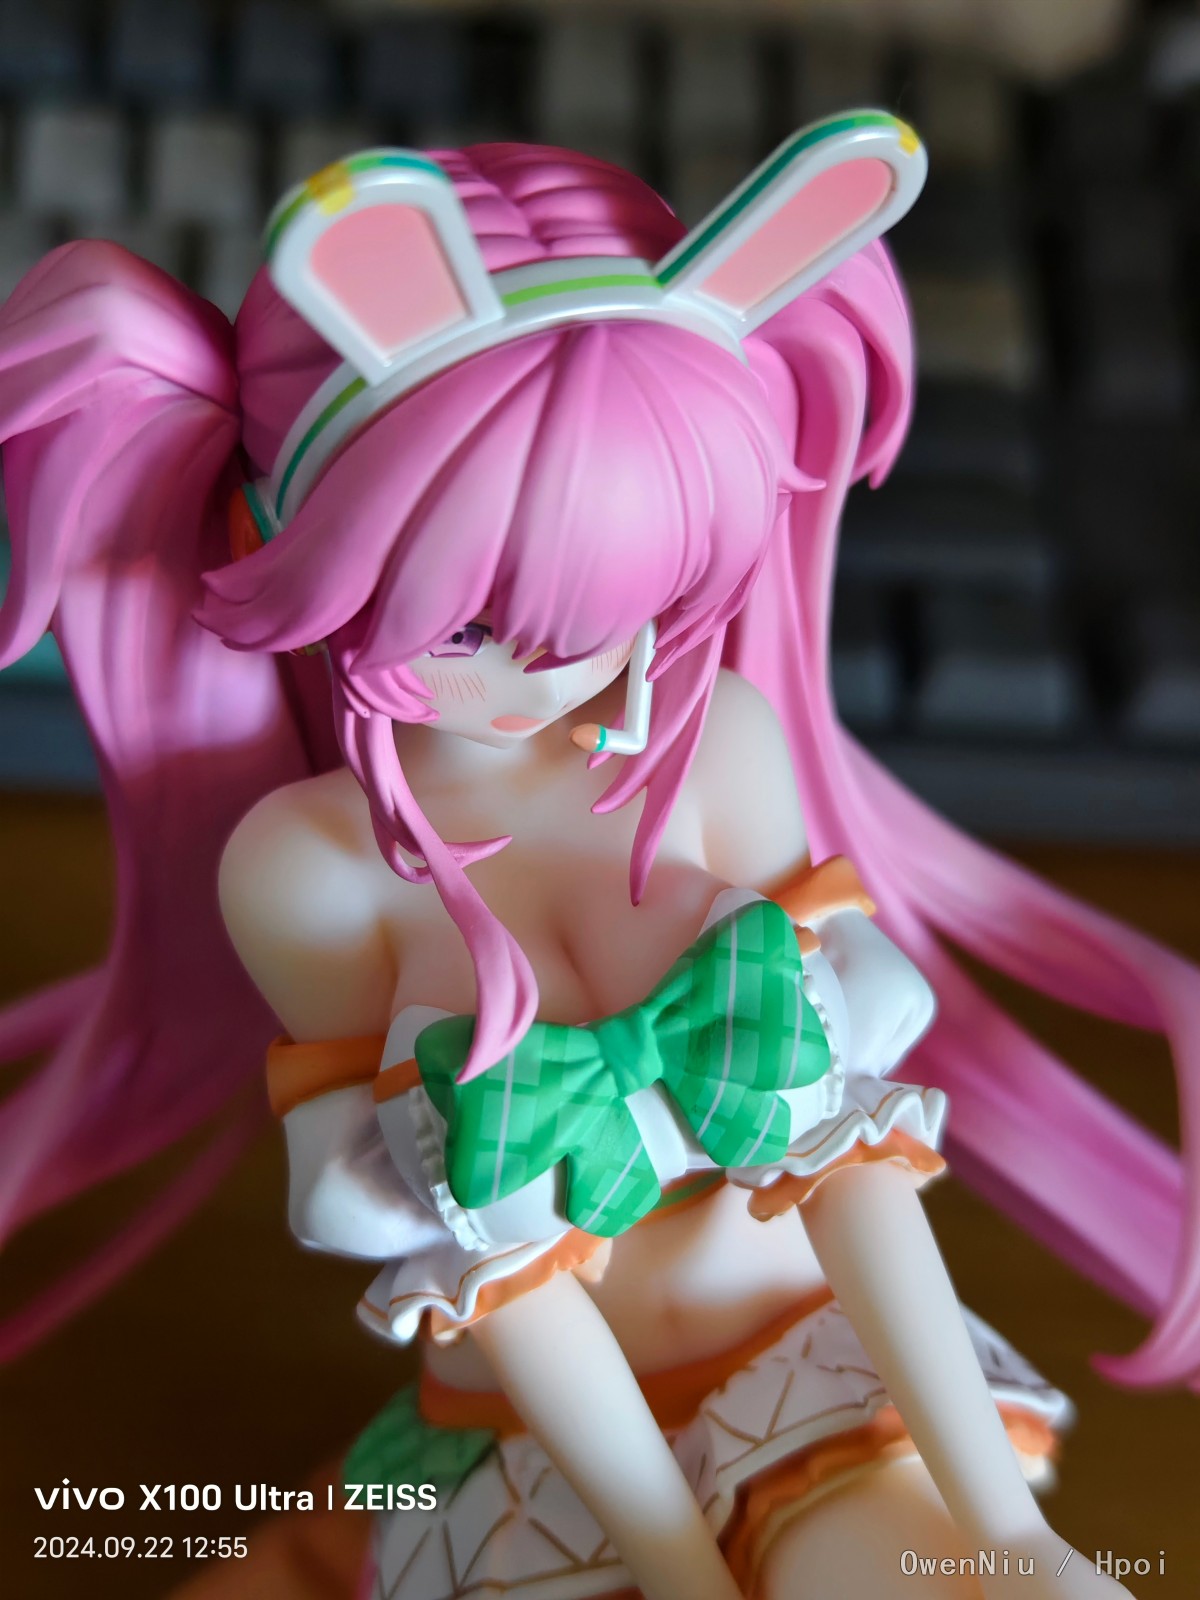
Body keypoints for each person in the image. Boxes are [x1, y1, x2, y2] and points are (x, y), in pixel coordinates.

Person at [0, 123, 1192, 1600]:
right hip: (547, 1447)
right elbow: (414, 1236)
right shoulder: (309, 871)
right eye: (466, 624)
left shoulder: (720, 752)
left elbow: (855, 1159)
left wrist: (1009, 1532)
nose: (541, 676)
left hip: (821, 1373)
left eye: (620, 608)